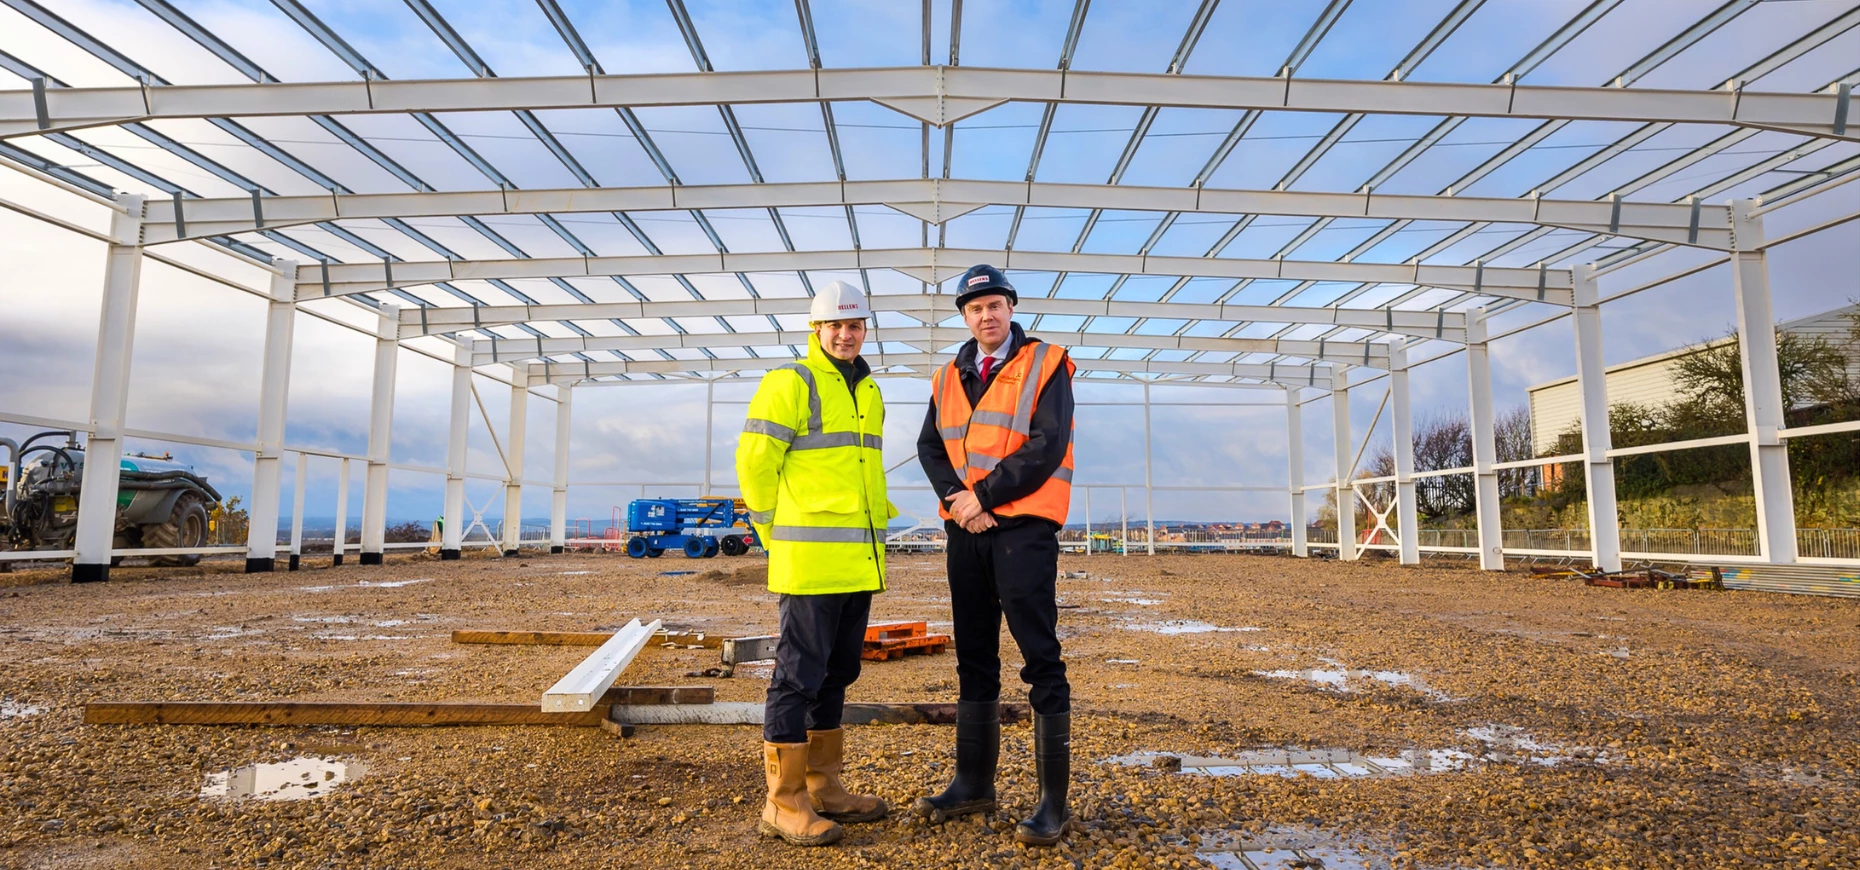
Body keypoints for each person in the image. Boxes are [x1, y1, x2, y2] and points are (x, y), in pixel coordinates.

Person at [914, 264, 1076, 846]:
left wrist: (980, 497)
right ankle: (973, 783)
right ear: (965, 315)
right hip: (966, 532)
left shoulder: (1047, 363)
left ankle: (1052, 804)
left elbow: (1046, 443)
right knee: (975, 654)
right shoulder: (947, 375)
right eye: (974, 307)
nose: (986, 315)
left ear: (1011, 307)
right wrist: (959, 503)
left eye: (995, 305)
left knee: (1039, 655)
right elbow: (929, 446)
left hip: (1022, 530)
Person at [736, 280, 895, 847]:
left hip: (856, 562)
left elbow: (862, 475)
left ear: (864, 331)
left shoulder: (868, 390)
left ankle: (825, 787)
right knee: (796, 678)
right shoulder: (791, 382)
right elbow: (755, 465)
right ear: (816, 330)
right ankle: (783, 802)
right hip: (808, 561)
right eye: (835, 326)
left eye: (854, 326)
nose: (845, 335)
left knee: (838, 674)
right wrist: (772, 534)